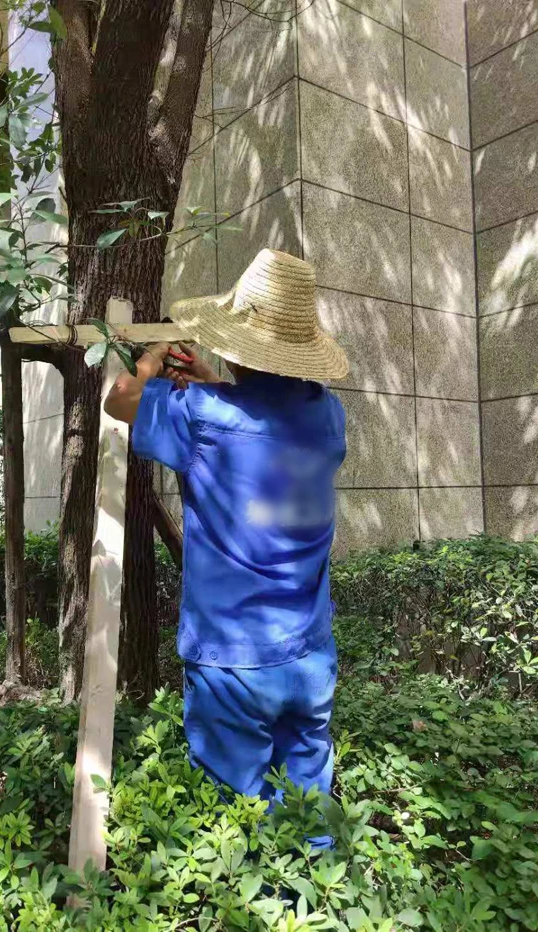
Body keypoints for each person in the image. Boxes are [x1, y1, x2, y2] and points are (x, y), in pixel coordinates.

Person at [104, 249, 348, 846]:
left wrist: (154, 356)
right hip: (308, 653)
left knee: (235, 820)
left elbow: (119, 398)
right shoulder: (328, 417)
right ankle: (320, 884)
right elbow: (261, 429)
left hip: (233, 661)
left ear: (240, 348)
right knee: (309, 802)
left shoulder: (202, 417)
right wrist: (212, 383)